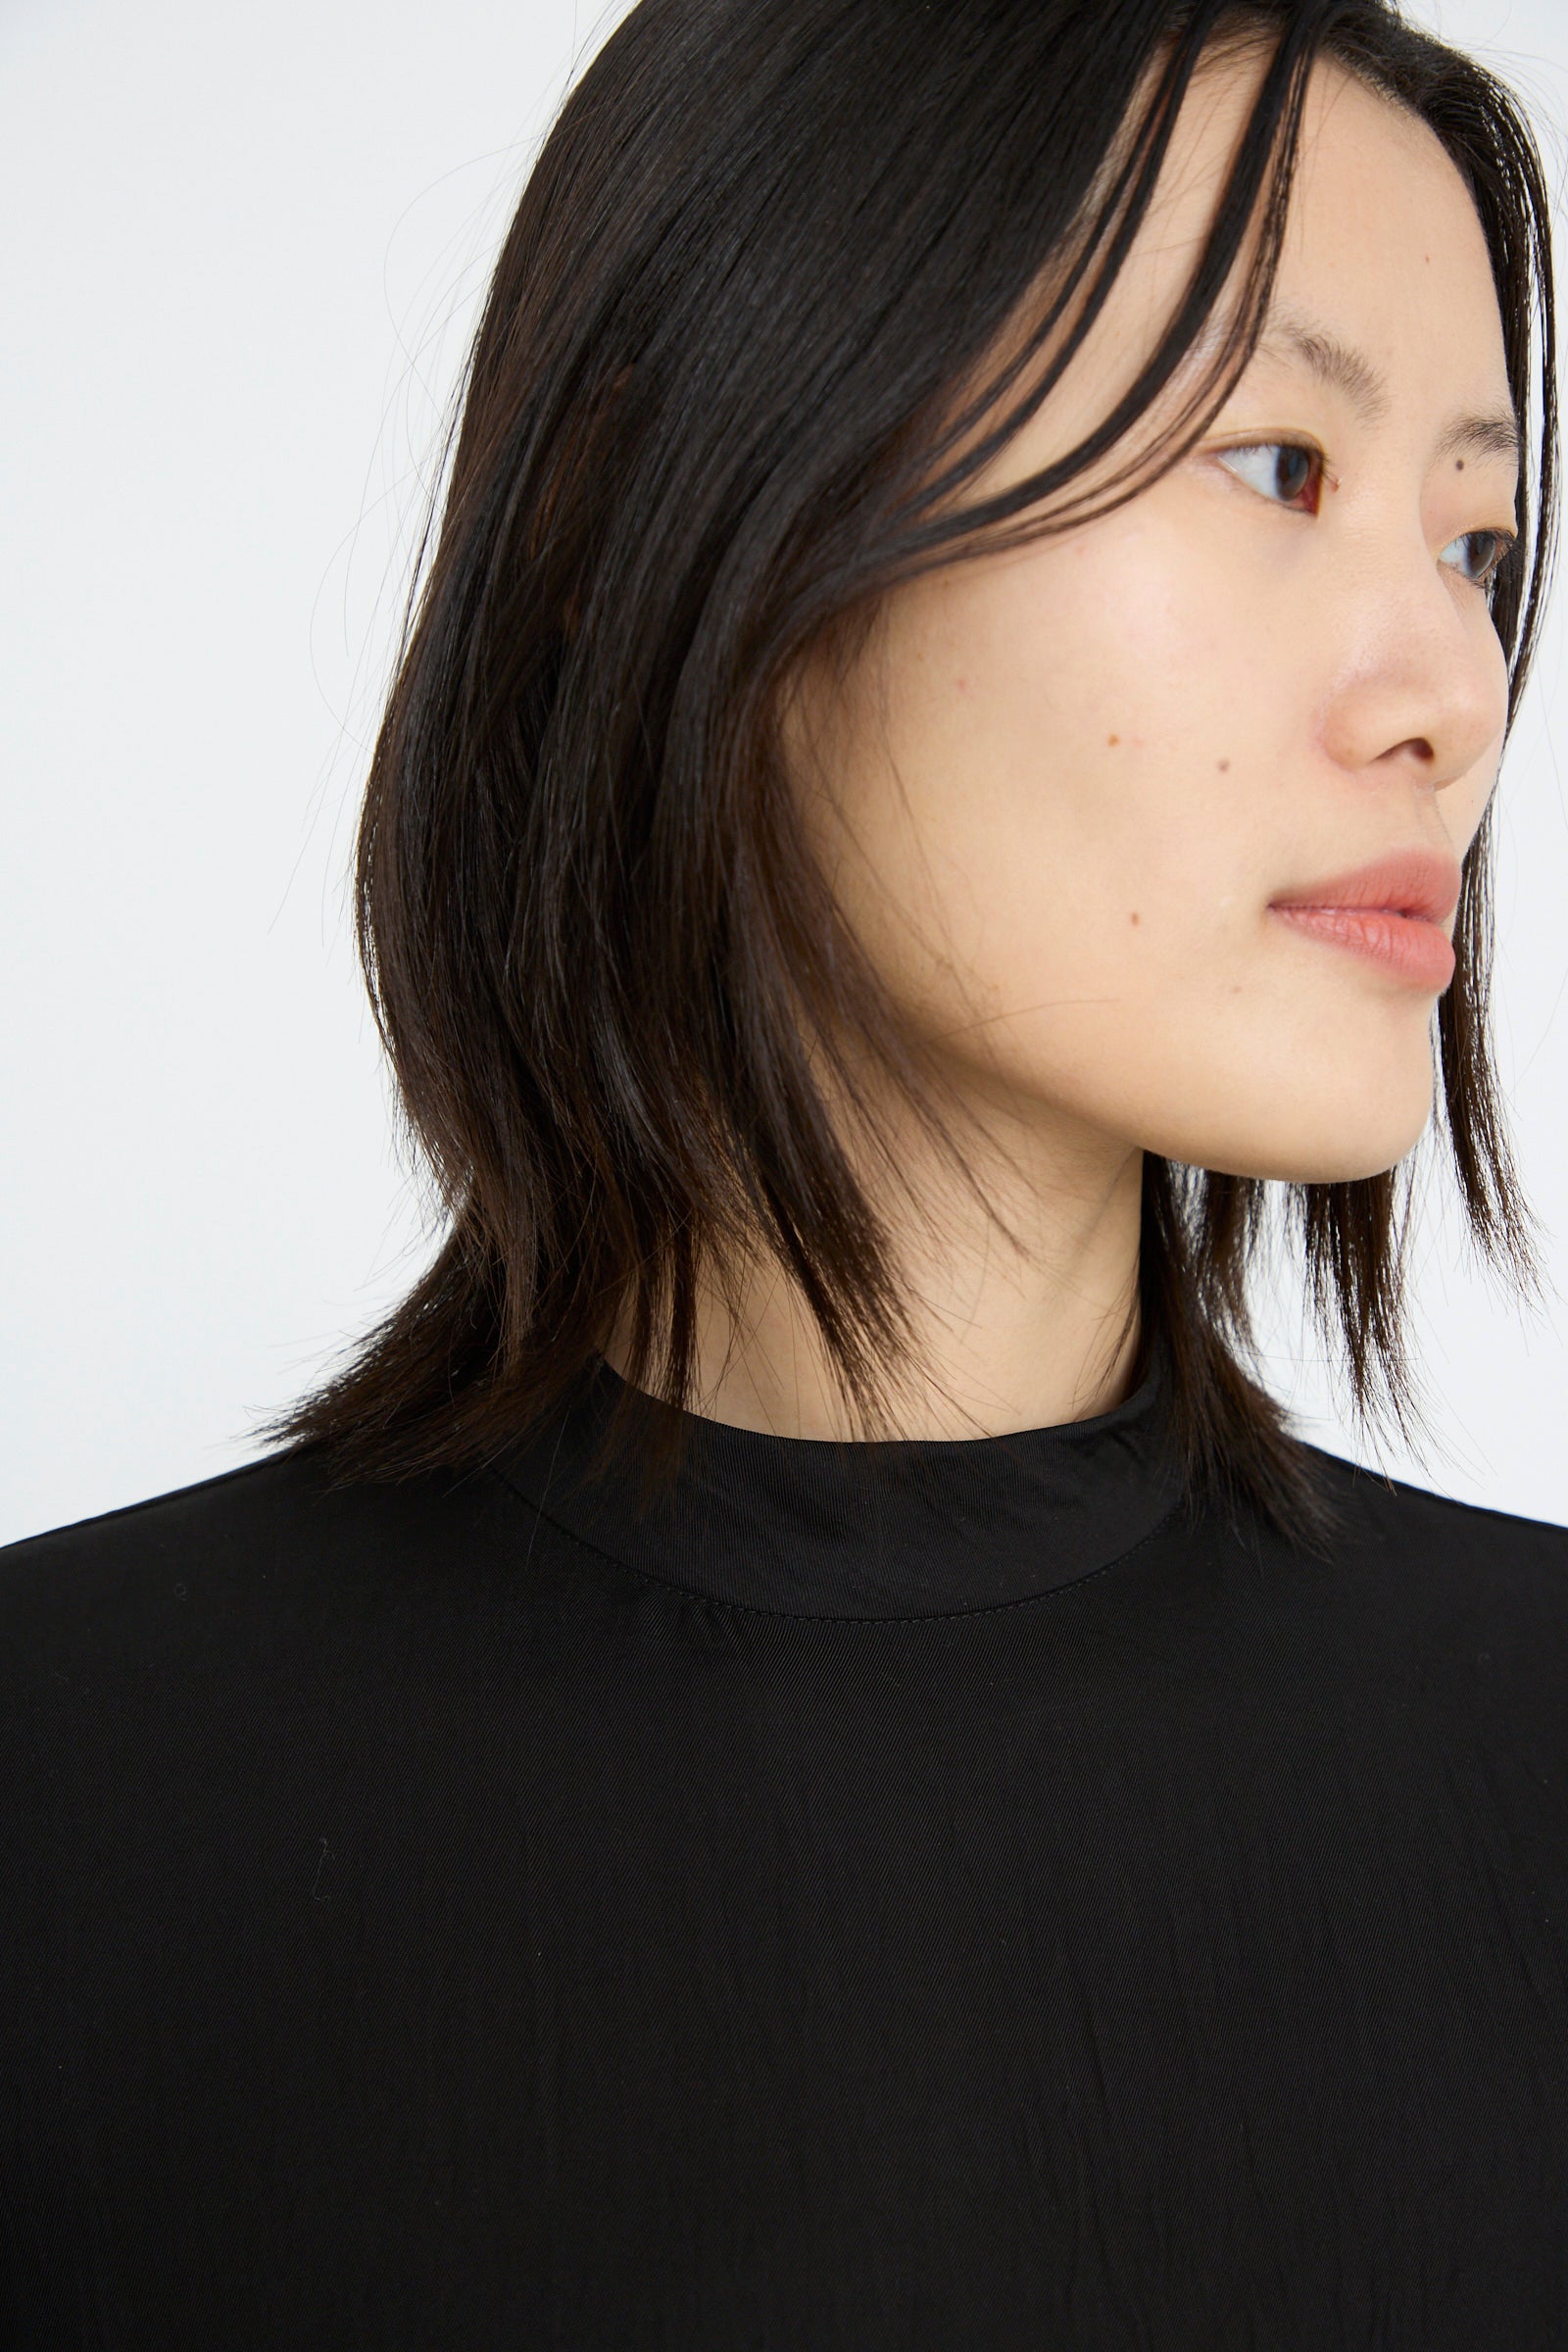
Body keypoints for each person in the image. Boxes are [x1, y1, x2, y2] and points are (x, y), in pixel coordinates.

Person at [3, 0, 1565, 2341]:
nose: (1446, 681)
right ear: (669, 507)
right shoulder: (65, 1810)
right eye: (1272, 467)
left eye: (1480, 534)